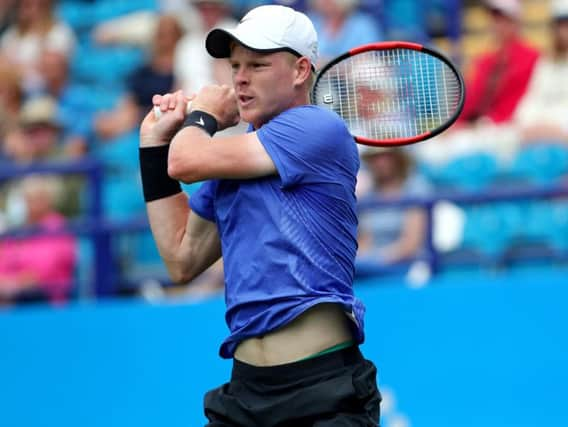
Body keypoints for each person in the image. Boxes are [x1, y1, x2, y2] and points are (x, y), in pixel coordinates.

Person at [138, 5, 381, 425]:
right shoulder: (234, 158)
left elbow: (185, 162)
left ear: (301, 70)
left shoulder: (317, 128)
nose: (240, 78)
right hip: (246, 393)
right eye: (235, 66)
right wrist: (152, 143)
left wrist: (203, 117)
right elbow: (181, 256)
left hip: (323, 389)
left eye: (258, 64)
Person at [356, 146, 433, 277]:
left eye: (386, 156)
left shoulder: (416, 187)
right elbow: (364, 240)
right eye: (375, 157)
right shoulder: (367, 193)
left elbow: (411, 244)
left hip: (408, 267)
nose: (381, 162)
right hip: (372, 267)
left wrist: (376, 260)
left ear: (398, 158)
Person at [0, 174, 76, 306]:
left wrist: (16, 282)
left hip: (45, 296)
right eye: (28, 198)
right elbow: (3, 261)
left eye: (39, 198)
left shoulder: (58, 227)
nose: (32, 203)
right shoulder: (18, 228)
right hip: (12, 292)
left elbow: (46, 269)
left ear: (50, 200)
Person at [514, 0, 568, 146]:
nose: (564, 30)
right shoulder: (546, 63)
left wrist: (555, 128)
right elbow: (531, 100)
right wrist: (531, 125)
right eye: (561, 24)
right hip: (536, 133)